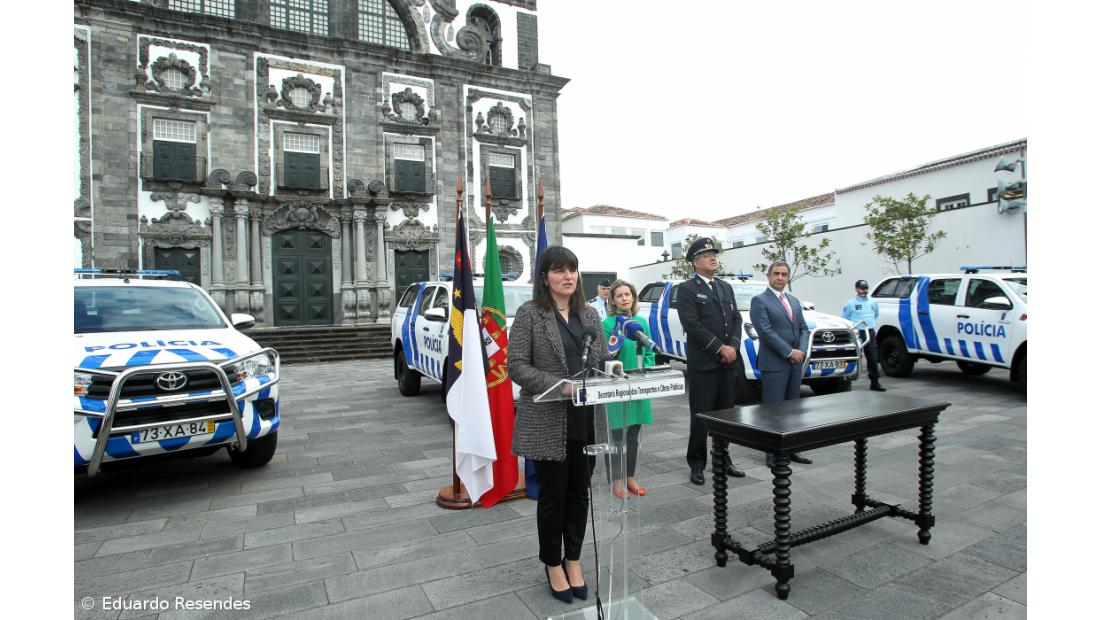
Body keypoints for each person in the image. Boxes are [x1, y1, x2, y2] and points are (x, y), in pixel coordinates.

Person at [509, 245, 610, 604]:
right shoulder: (530, 314)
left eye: (572, 270)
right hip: (550, 419)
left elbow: (599, 360)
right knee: (553, 497)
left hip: (586, 419)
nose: (568, 276)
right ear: (545, 277)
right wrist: (559, 386)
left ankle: (574, 559)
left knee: (580, 493)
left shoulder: (591, 316)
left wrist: (612, 369)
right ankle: (553, 563)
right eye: (559, 270)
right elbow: (517, 365)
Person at [675, 237, 747, 486]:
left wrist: (733, 347)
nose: (713, 257)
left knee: (726, 416)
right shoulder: (686, 289)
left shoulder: (725, 288)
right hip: (704, 364)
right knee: (701, 416)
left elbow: (736, 320)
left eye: (714, 254)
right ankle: (697, 463)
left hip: (728, 363)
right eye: (707, 255)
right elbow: (692, 325)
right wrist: (719, 347)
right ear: (695, 262)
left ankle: (723, 459)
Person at [749, 260, 813, 469]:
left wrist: (801, 350)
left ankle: (792, 448)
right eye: (776, 274)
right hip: (775, 363)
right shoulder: (760, 301)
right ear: (768, 276)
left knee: (793, 408)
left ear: (788, 277)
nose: (780, 278)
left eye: (784, 274)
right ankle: (771, 453)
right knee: (773, 410)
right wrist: (789, 352)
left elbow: (803, 328)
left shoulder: (793, 300)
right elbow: (765, 332)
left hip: (795, 363)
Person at [601, 279, 655, 498]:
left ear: (633, 298)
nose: (624, 298)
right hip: (615, 386)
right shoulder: (607, 324)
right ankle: (616, 481)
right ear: (612, 300)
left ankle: (630, 477)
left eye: (628, 294)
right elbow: (604, 355)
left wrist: (648, 369)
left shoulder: (641, 321)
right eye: (619, 295)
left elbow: (650, 351)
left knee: (633, 433)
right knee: (614, 435)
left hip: (638, 384)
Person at [842, 279, 886, 392]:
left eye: (866, 288)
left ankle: (875, 382)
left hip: (869, 331)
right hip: (857, 333)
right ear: (856, 289)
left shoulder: (872, 302)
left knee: (872, 357)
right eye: (862, 288)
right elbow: (845, 318)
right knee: (855, 357)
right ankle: (847, 383)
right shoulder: (850, 303)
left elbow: (876, 314)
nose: (864, 290)